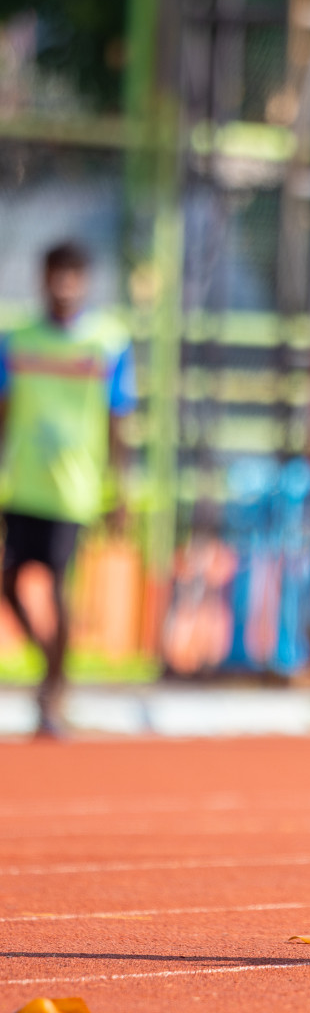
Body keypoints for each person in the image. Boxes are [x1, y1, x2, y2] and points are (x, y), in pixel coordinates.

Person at [0, 242, 135, 738]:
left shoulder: (108, 342)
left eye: (72, 276)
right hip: (22, 483)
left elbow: (121, 418)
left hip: (73, 488)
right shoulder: (17, 340)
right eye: (55, 275)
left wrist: (122, 489)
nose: (63, 285)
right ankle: (51, 666)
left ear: (85, 281)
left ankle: (54, 693)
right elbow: (3, 409)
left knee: (56, 587)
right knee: (9, 581)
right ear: (43, 278)